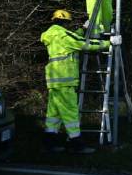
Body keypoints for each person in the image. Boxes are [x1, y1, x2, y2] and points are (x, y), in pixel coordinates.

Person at [40, 10, 119, 154]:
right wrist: (109, 43)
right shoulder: (64, 35)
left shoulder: (52, 35)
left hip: (54, 81)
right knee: (71, 113)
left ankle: (48, 143)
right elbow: (84, 44)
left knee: (54, 114)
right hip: (66, 81)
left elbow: (73, 38)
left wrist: (83, 29)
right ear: (65, 22)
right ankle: (76, 144)